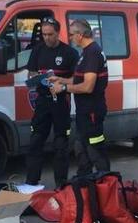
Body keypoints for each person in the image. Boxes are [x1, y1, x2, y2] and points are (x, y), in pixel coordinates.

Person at [49, 19, 109, 175]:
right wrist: (61, 79)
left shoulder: (92, 53)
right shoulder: (87, 53)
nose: (70, 38)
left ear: (80, 35)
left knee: (94, 149)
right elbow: (79, 80)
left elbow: (88, 87)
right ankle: (85, 182)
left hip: (92, 111)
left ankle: (106, 184)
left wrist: (63, 88)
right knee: (81, 148)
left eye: (71, 34)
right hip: (85, 111)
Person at [24, 18, 79, 187]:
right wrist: (37, 79)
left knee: (60, 145)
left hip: (60, 102)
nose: (46, 38)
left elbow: (76, 79)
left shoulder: (70, 53)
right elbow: (31, 75)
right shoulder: (38, 50)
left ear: (58, 33)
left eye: (50, 34)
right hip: (42, 103)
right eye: (44, 34)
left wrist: (61, 83)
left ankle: (61, 184)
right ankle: (32, 182)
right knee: (35, 142)